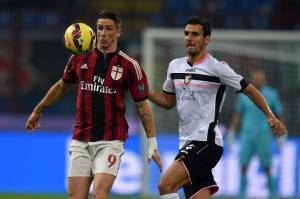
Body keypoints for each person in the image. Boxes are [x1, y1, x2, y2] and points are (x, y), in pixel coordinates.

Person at [25, 10, 162, 199]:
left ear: (118, 31)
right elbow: (62, 86)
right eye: (100, 28)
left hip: (111, 139)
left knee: (99, 193)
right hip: (81, 138)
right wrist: (38, 110)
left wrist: (152, 141)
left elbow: (142, 105)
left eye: (109, 29)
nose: (103, 33)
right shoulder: (79, 57)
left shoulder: (130, 65)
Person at [148, 16, 286, 199]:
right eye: (186, 33)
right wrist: (145, 92)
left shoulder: (217, 68)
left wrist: (270, 115)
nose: (189, 38)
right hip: (186, 142)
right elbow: (168, 101)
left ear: (206, 39)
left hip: (206, 141)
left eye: (195, 34)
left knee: (165, 185)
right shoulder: (175, 66)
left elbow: (250, 90)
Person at [228, 69, 283, 199]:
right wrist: (232, 132)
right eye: (256, 77)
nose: (258, 79)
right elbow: (238, 115)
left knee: (267, 166)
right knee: (243, 165)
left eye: (260, 77)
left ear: (264, 79)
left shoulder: (272, 94)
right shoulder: (244, 94)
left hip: (263, 135)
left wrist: (281, 134)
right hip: (247, 135)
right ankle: (242, 194)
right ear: (252, 78)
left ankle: (272, 194)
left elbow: (278, 114)